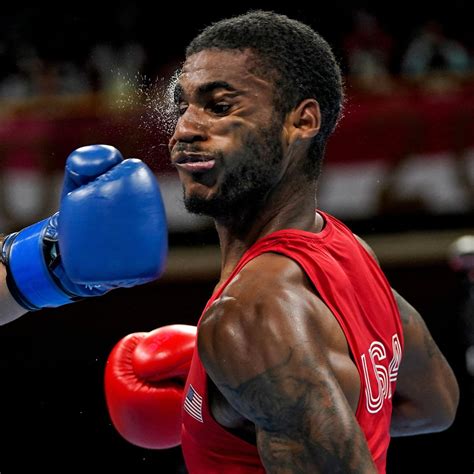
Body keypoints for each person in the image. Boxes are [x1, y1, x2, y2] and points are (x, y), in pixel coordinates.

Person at [0, 10, 459, 474]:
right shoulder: (350, 249)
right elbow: (434, 405)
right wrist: (256, 410)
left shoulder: (247, 320)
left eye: (219, 106)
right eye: (182, 106)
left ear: (302, 122)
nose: (184, 130)